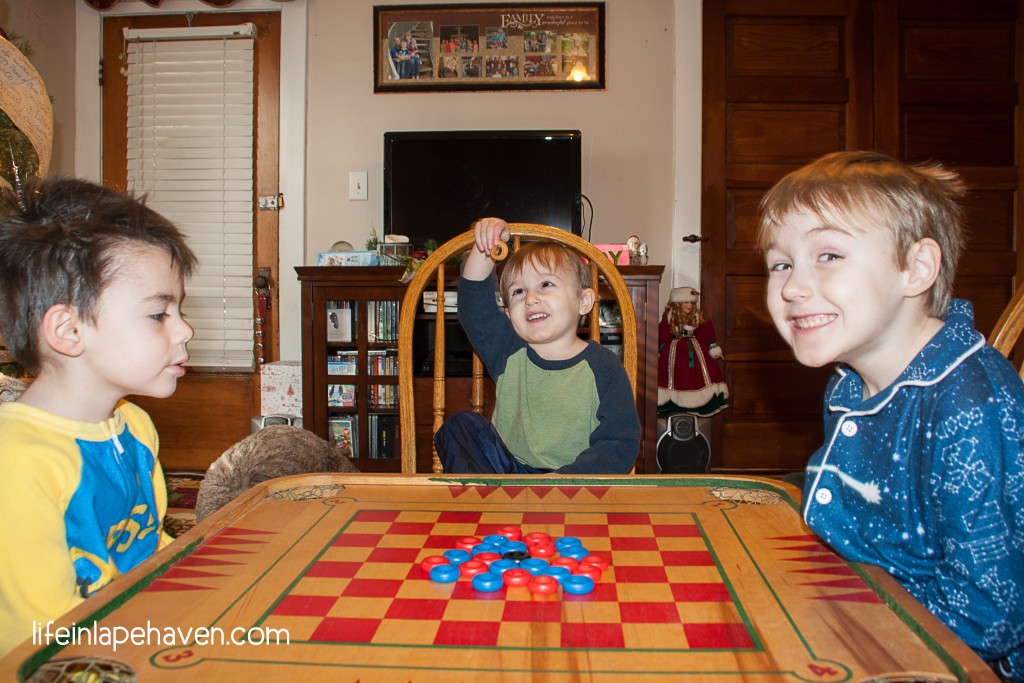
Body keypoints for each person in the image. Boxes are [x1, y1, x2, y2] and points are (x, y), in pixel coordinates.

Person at [756, 150, 1024, 680]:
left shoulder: (969, 402)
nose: (791, 287)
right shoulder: (851, 384)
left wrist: (852, 635)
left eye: (827, 255)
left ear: (916, 268)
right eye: (781, 264)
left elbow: (993, 612)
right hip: (867, 616)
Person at [0, 176, 198, 657]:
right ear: (68, 329)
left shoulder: (134, 427)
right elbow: (41, 647)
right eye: (159, 314)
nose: (185, 329)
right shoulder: (18, 464)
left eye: (180, 310)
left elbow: (145, 553)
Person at [433, 217, 640, 474]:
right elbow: (475, 308)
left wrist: (560, 484)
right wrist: (487, 245)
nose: (531, 298)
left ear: (583, 302)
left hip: (575, 482)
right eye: (518, 292)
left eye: (546, 284)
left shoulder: (604, 367)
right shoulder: (509, 353)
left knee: (609, 454)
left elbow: (619, 442)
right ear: (509, 314)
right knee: (459, 427)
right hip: (509, 477)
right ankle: (486, 501)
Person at [657, 286, 728, 416]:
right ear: (678, 303)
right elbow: (662, 333)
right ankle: (675, 405)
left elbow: (706, 332)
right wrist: (660, 349)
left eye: (692, 302)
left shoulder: (696, 316)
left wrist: (712, 347)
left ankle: (697, 404)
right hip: (674, 352)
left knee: (699, 376)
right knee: (675, 376)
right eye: (686, 302)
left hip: (695, 350)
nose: (689, 305)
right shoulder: (670, 316)